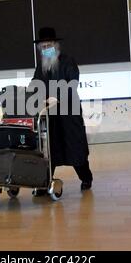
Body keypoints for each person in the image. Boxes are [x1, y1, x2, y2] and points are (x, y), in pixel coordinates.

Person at [30, 27, 93, 195]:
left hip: (69, 112)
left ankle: (86, 177)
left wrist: (56, 98)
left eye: (48, 45)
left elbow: (73, 83)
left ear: (56, 45)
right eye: (43, 47)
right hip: (50, 116)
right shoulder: (41, 66)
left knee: (75, 146)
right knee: (49, 149)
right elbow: (35, 84)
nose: (46, 49)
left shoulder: (68, 61)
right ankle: (44, 183)